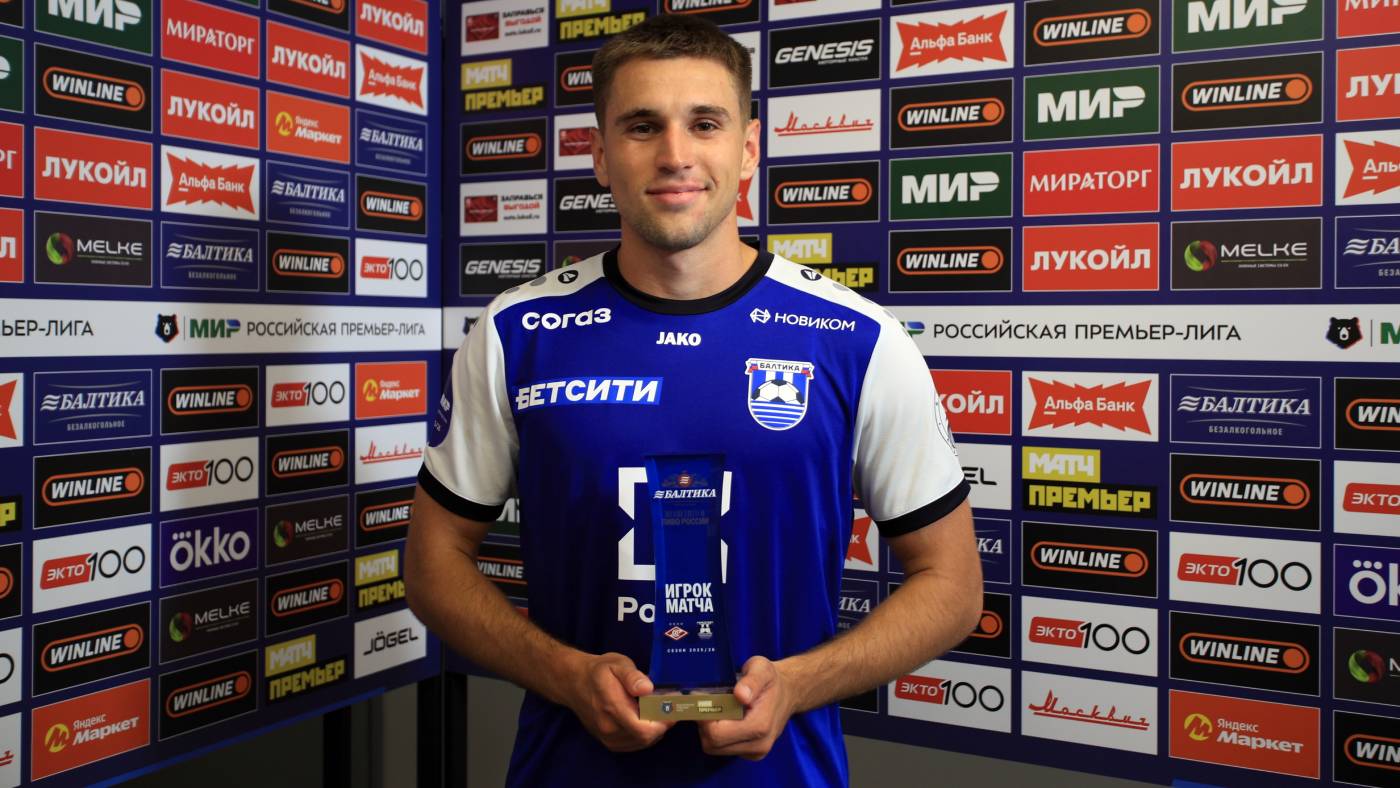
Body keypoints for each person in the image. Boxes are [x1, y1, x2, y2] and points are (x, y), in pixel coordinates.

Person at [405, 13, 981, 785]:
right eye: (642, 126)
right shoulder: (517, 333)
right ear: (599, 155)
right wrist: (564, 674)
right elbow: (432, 562)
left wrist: (799, 684)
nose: (675, 154)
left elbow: (952, 586)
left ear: (748, 148)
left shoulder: (856, 339)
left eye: (704, 124)